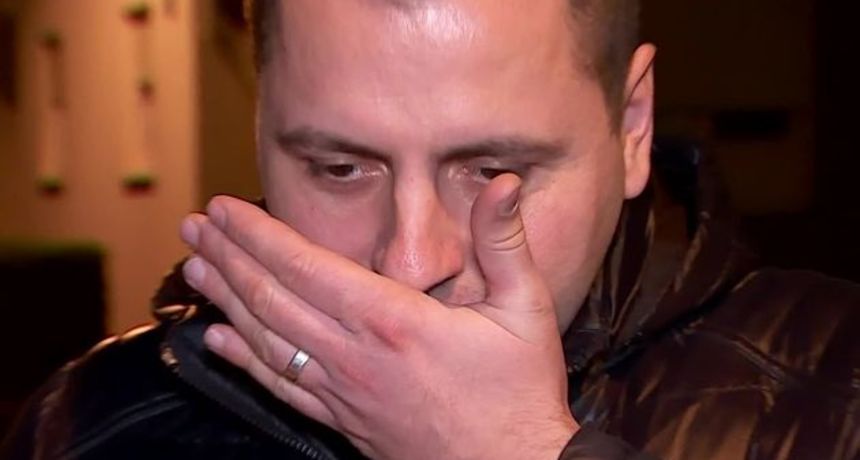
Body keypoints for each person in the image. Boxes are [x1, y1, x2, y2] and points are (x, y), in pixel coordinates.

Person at [3, 0, 859, 458]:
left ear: (631, 127)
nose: (411, 263)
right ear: (262, 130)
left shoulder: (840, 393)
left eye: (494, 172)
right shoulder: (93, 420)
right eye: (340, 168)